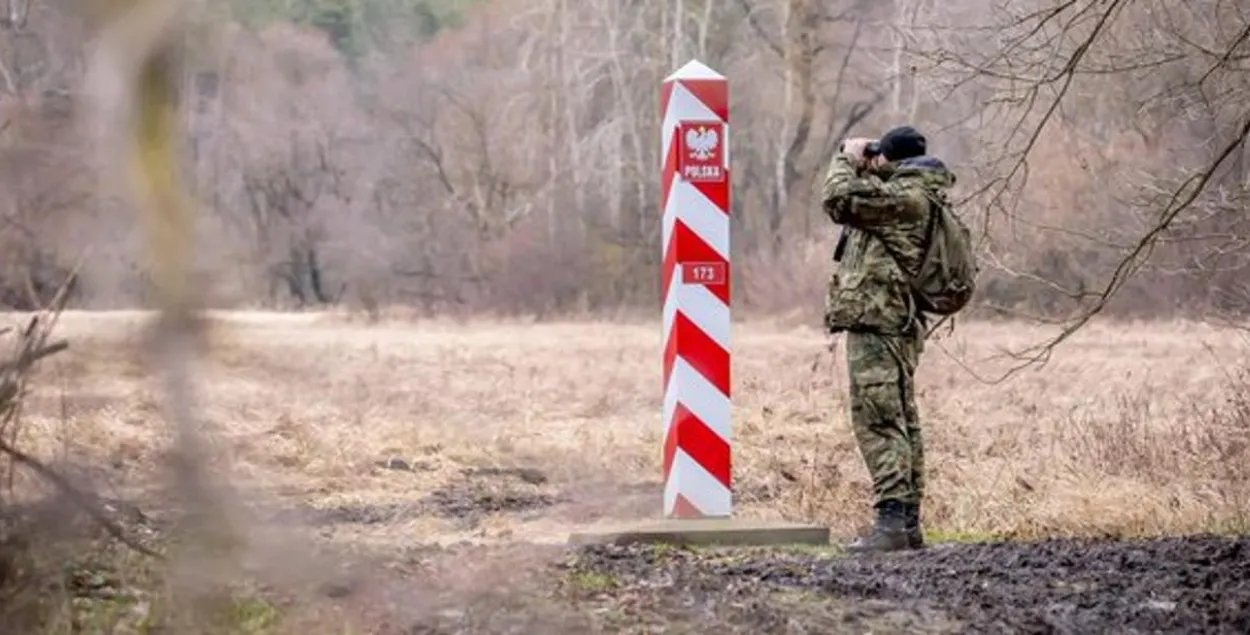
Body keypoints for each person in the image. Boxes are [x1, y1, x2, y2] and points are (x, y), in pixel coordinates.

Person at [819, 125, 957, 553]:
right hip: (893, 320)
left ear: (890, 162)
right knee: (901, 418)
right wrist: (874, 163)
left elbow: (838, 199)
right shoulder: (917, 196)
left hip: (881, 321)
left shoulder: (904, 200)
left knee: (879, 420)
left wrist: (846, 157)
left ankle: (892, 522)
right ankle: (907, 524)